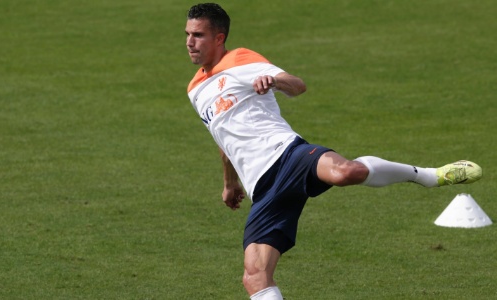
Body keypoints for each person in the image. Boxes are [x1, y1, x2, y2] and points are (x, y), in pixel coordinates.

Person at [184, 3, 483, 300]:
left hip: (288, 155)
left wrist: (274, 80)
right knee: (254, 276)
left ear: (219, 38)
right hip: (262, 189)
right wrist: (229, 182)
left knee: (347, 172)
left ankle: (430, 176)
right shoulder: (195, 90)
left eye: (198, 35)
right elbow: (223, 139)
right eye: (187, 34)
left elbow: (297, 86)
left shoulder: (240, 59)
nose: (189, 42)